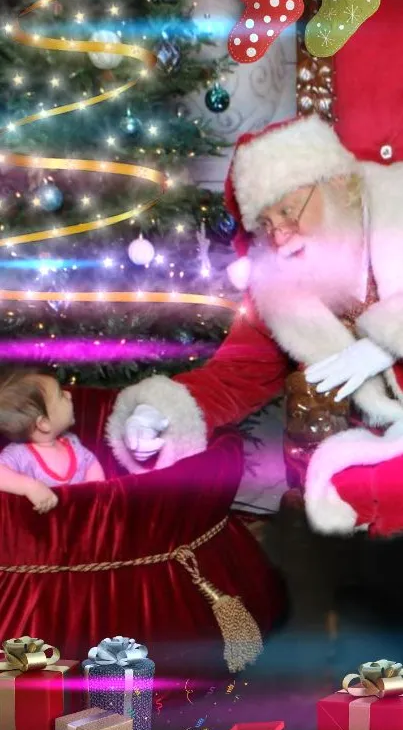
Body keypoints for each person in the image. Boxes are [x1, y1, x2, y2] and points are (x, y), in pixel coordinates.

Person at [107, 114, 403, 538]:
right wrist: (160, 412)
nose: (280, 236)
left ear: (338, 183)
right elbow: (235, 374)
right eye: (266, 223)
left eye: (287, 209)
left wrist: (388, 340)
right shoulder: (280, 290)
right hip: (368, 451)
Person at [0, 366, 105, 513]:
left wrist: (96, 494)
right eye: (61, 395)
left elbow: (90, 463)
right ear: (44, 424)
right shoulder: (20, 454)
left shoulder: (72, 442)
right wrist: (29, 487)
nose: (68, 394)